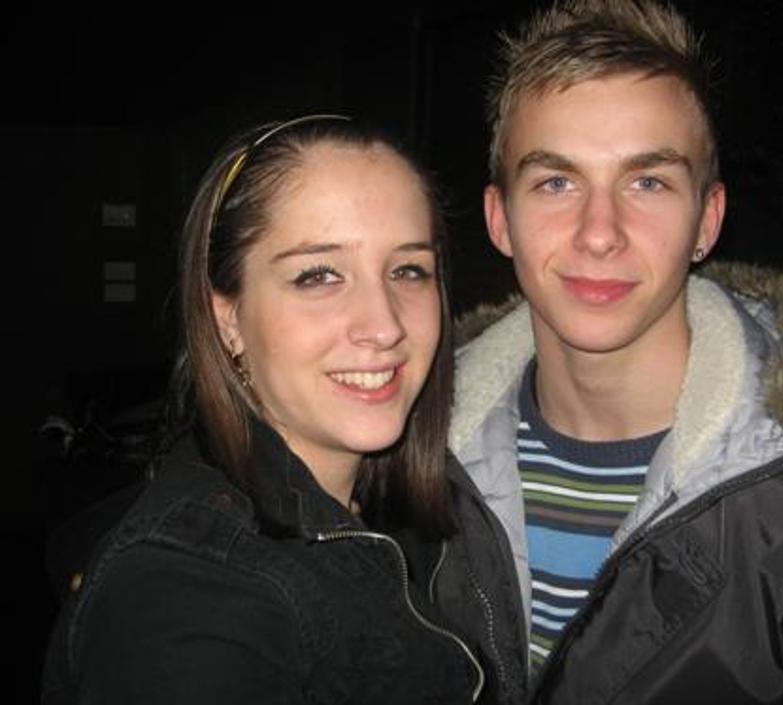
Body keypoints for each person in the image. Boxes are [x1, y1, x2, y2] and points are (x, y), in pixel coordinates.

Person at [442, 1, 783, 703]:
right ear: (500, 219)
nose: (599, 232)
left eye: (647, 182)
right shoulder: (411, 451)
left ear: (707, 221)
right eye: (556, 181)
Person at [42, 115, 487, 704]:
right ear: (229, 319)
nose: (384, 326)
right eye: (319, 275)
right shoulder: (189, 601)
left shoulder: (415, 510)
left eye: (409, 270)